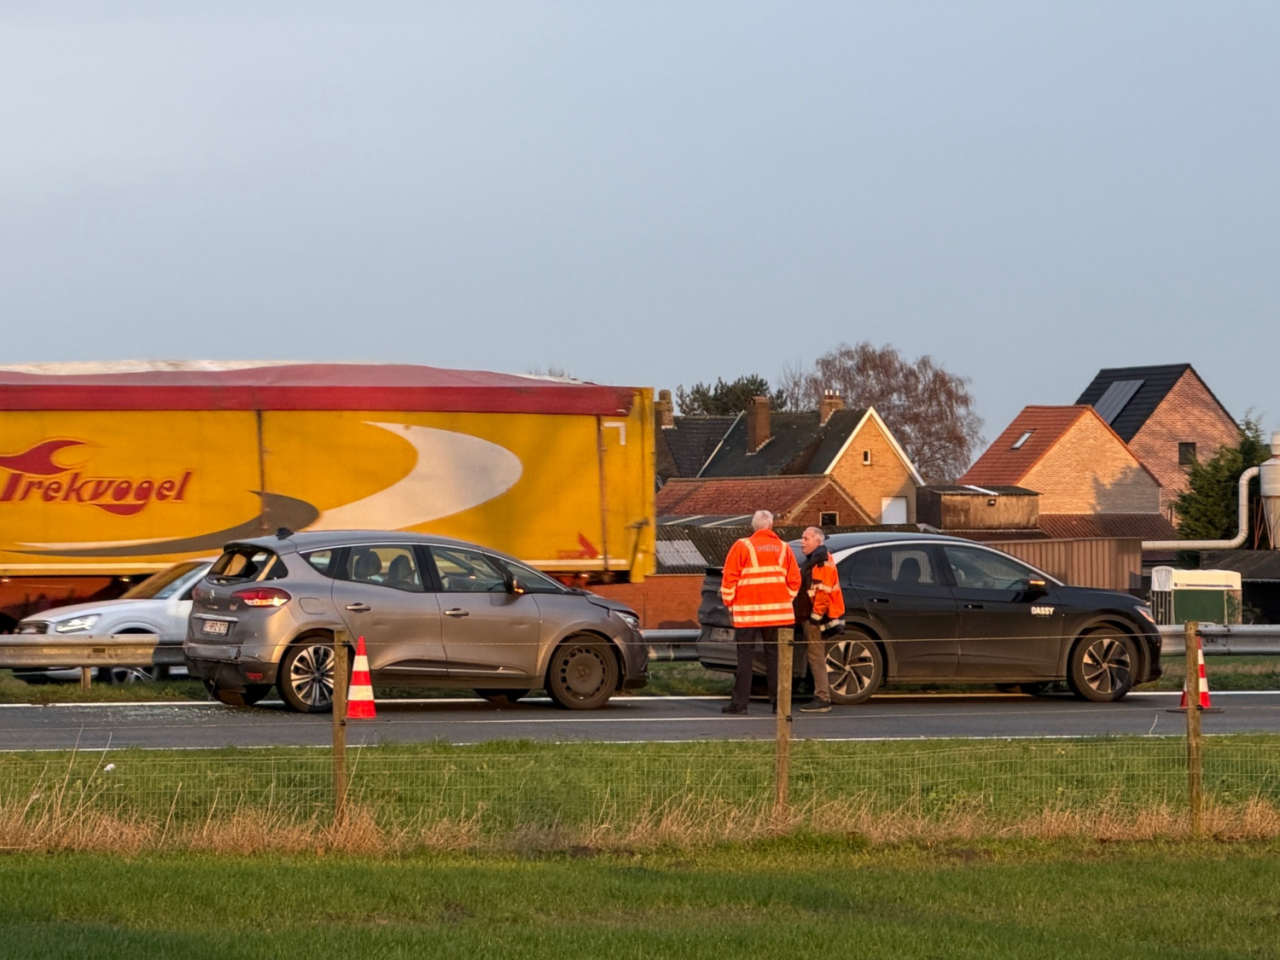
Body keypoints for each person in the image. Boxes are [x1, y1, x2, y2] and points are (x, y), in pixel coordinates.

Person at [720, 509, 801, 715]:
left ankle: (740, 704)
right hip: (777, 615)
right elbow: (794, 581)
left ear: (754, 527)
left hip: (748, 613)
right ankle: (778, 703)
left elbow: (729, 578)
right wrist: (785, 599)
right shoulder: (784, 548)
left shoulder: (742, 546)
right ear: (771, 527)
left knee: (745, 658)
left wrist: (730, 603)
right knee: (774, 657)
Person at [796, 526, 846, 713]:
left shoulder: (821, 562)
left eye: (806, 538)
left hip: (817, 617)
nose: (802, 542)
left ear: (817, 541)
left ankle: (822, 698)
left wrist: (815, 617)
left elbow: (822, 593)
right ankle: (819, 693)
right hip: (813, 615)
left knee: (816, 655)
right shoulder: (817, 559)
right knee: (814, 655)